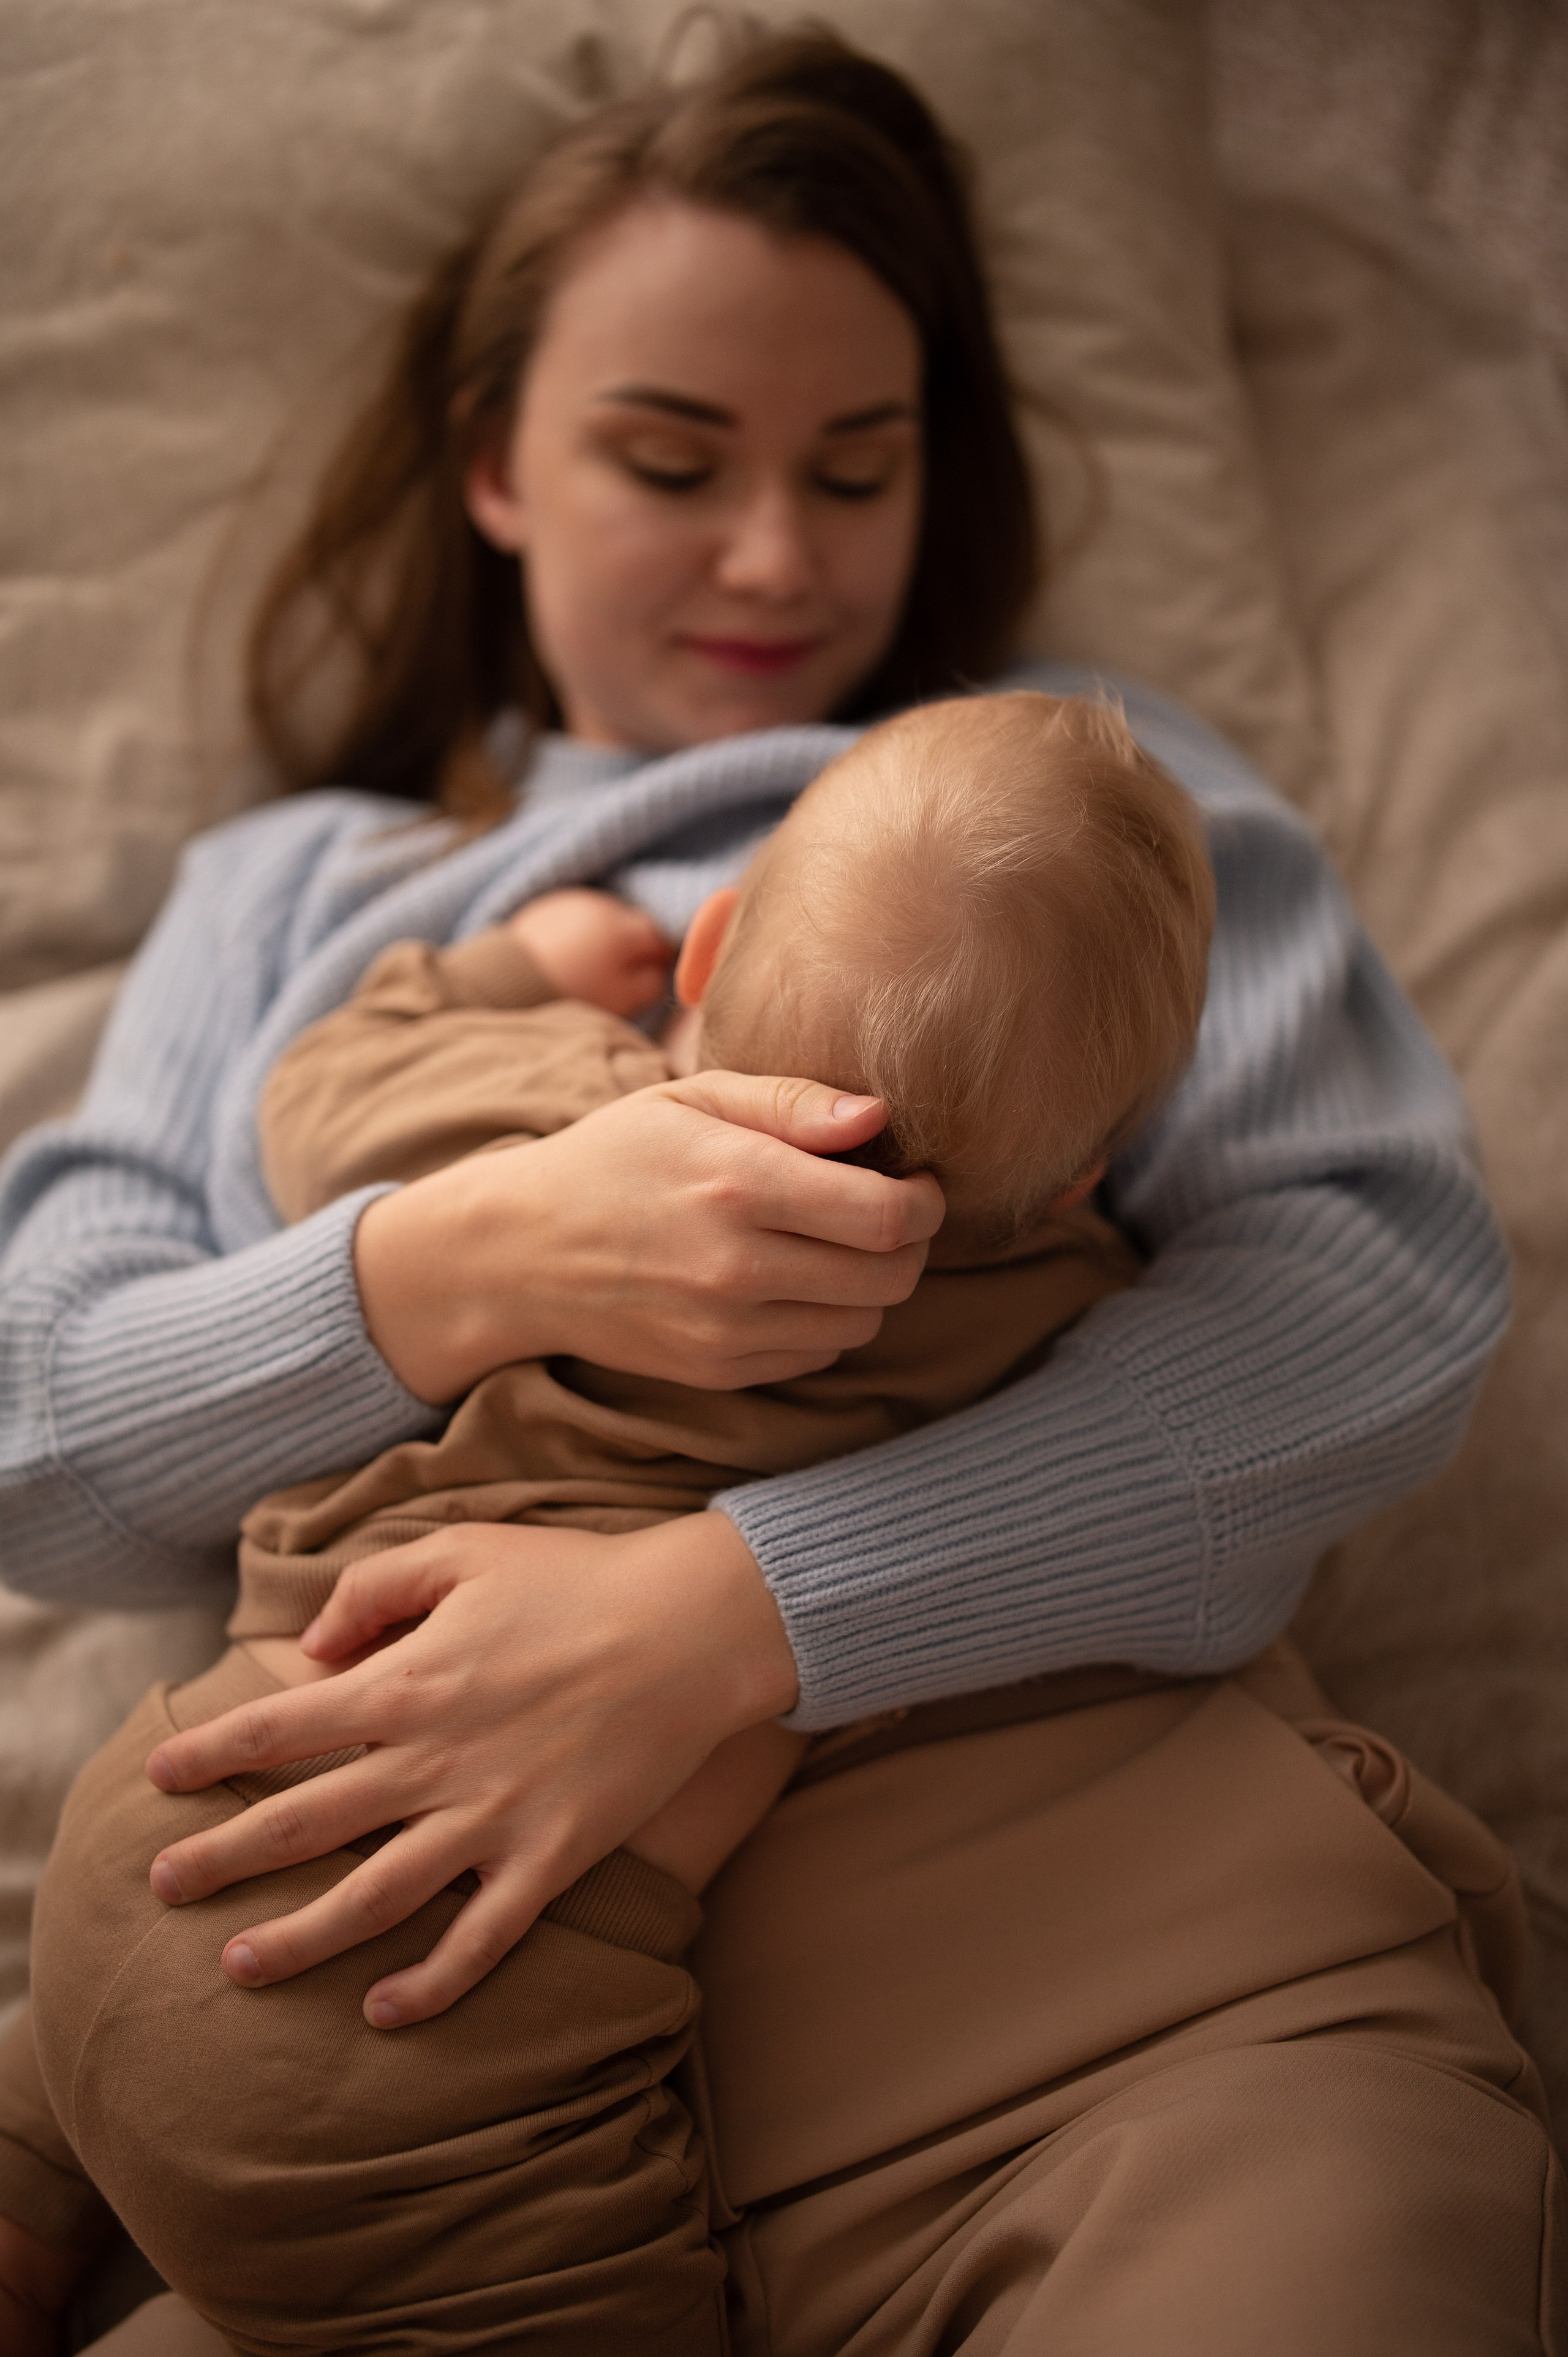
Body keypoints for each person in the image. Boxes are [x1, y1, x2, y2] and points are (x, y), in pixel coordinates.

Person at [0, 27, 1555, 2357]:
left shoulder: (1090, 807)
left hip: (1113, 2001)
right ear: (494, 468)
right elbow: (43, 1456)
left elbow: (1367, 1307)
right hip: (424, 2113)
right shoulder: (308, 895)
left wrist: (743, 1607)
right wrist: (458, 1260)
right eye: (669, 457)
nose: (773, 554)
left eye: (860, 465)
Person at [1, 691, 1210, 2347]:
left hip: (181, 1806)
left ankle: (31, 2155)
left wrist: (510, 972)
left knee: (115, 2055)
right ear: (1084, 1181)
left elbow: (315, 1091)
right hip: (443, 2033)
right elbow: (1177, 1469)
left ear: (704, 944)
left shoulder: (515, 1092)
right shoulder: (1044, 1311)